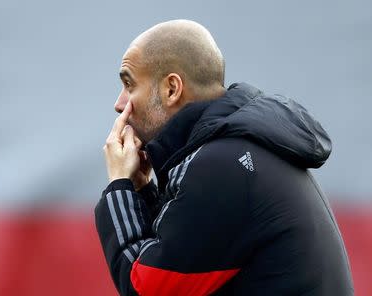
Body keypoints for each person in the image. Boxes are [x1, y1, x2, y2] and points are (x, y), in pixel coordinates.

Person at [94, 19, 354, 296]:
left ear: (172, 89)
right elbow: (180, 254)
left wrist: (120, 186)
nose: (119, 104)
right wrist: (143, 190)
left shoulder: (220, 166)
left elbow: (145, 288)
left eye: (129, 84)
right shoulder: (236, 152)